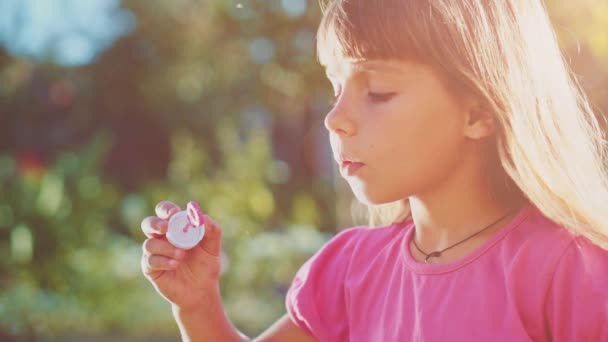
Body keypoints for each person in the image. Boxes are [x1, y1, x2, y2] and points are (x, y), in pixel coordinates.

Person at [140, 0, 608, 340]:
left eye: (378, 91)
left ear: (479, 112)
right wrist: (198, 306)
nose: (334, 118)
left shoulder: (569, 270)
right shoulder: (347, 269)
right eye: (335, 87)